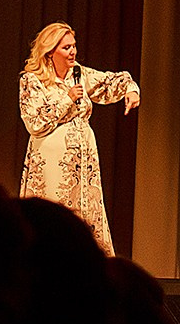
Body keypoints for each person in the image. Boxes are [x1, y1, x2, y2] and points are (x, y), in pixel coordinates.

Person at [16, 22, 139, 256]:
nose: (72, 52)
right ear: (50, 51)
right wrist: (67, 99)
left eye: (74, 46)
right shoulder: (32, 80)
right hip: (51, 165)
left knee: (85, 215)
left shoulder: (79, 74)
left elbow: (110, 81)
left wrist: (130, 90)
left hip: (83, 164)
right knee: (54, 217)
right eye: (66, 48)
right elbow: (34, 122)